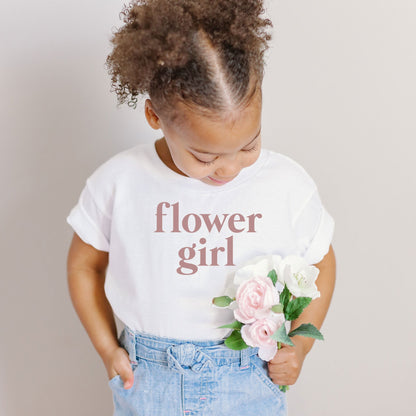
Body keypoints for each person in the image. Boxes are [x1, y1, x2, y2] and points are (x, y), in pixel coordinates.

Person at [66, 0, 336, 415]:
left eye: (249, 145)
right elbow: (85, 264)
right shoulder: (120, 182)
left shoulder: (287, 184)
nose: (229, 168)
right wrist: (107, 349)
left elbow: (321, 264)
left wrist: (298, 346)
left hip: (251, 377)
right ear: (155, 115)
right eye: (205, 156)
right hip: (149, 381)